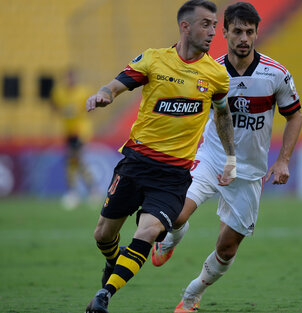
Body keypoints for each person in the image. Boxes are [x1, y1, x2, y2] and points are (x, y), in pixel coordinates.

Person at [83, 1, 236, 312]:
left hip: (173, 175)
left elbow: (222, 115)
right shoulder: (153, 60)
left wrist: (231, 156)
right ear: (185, 27)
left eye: (214, 25)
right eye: (206, 24)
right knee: (103, 234)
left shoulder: (216, 75)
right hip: (136, 163)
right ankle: (116, 263)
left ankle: (105, 295)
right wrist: (103, 94)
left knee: (149, 231)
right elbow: (117, 85)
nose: (212, 32)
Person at [150, 2, 302, 312]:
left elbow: (295, 116)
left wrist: (283, 159)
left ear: (258, 33)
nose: (243, 38)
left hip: (250, 173)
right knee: (175, 215)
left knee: (227, 246)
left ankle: (191, 296)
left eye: (249, 32)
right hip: (211, 159)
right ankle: (169, 240)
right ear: (225, 33)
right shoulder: (211, 71)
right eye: (237, 31)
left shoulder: (276, 74)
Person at [50, 68, 95, 209]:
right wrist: (62, 112)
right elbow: (53, 104)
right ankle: (91, 190)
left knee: (73, 158)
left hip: (81, 130)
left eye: (72, 78)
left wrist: (80, 113)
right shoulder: (59, 92)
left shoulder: (83, 91)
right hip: (68, 130)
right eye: (68, 78)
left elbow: (92, 107)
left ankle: (74, 193)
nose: (70, 80)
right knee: (77, 161)